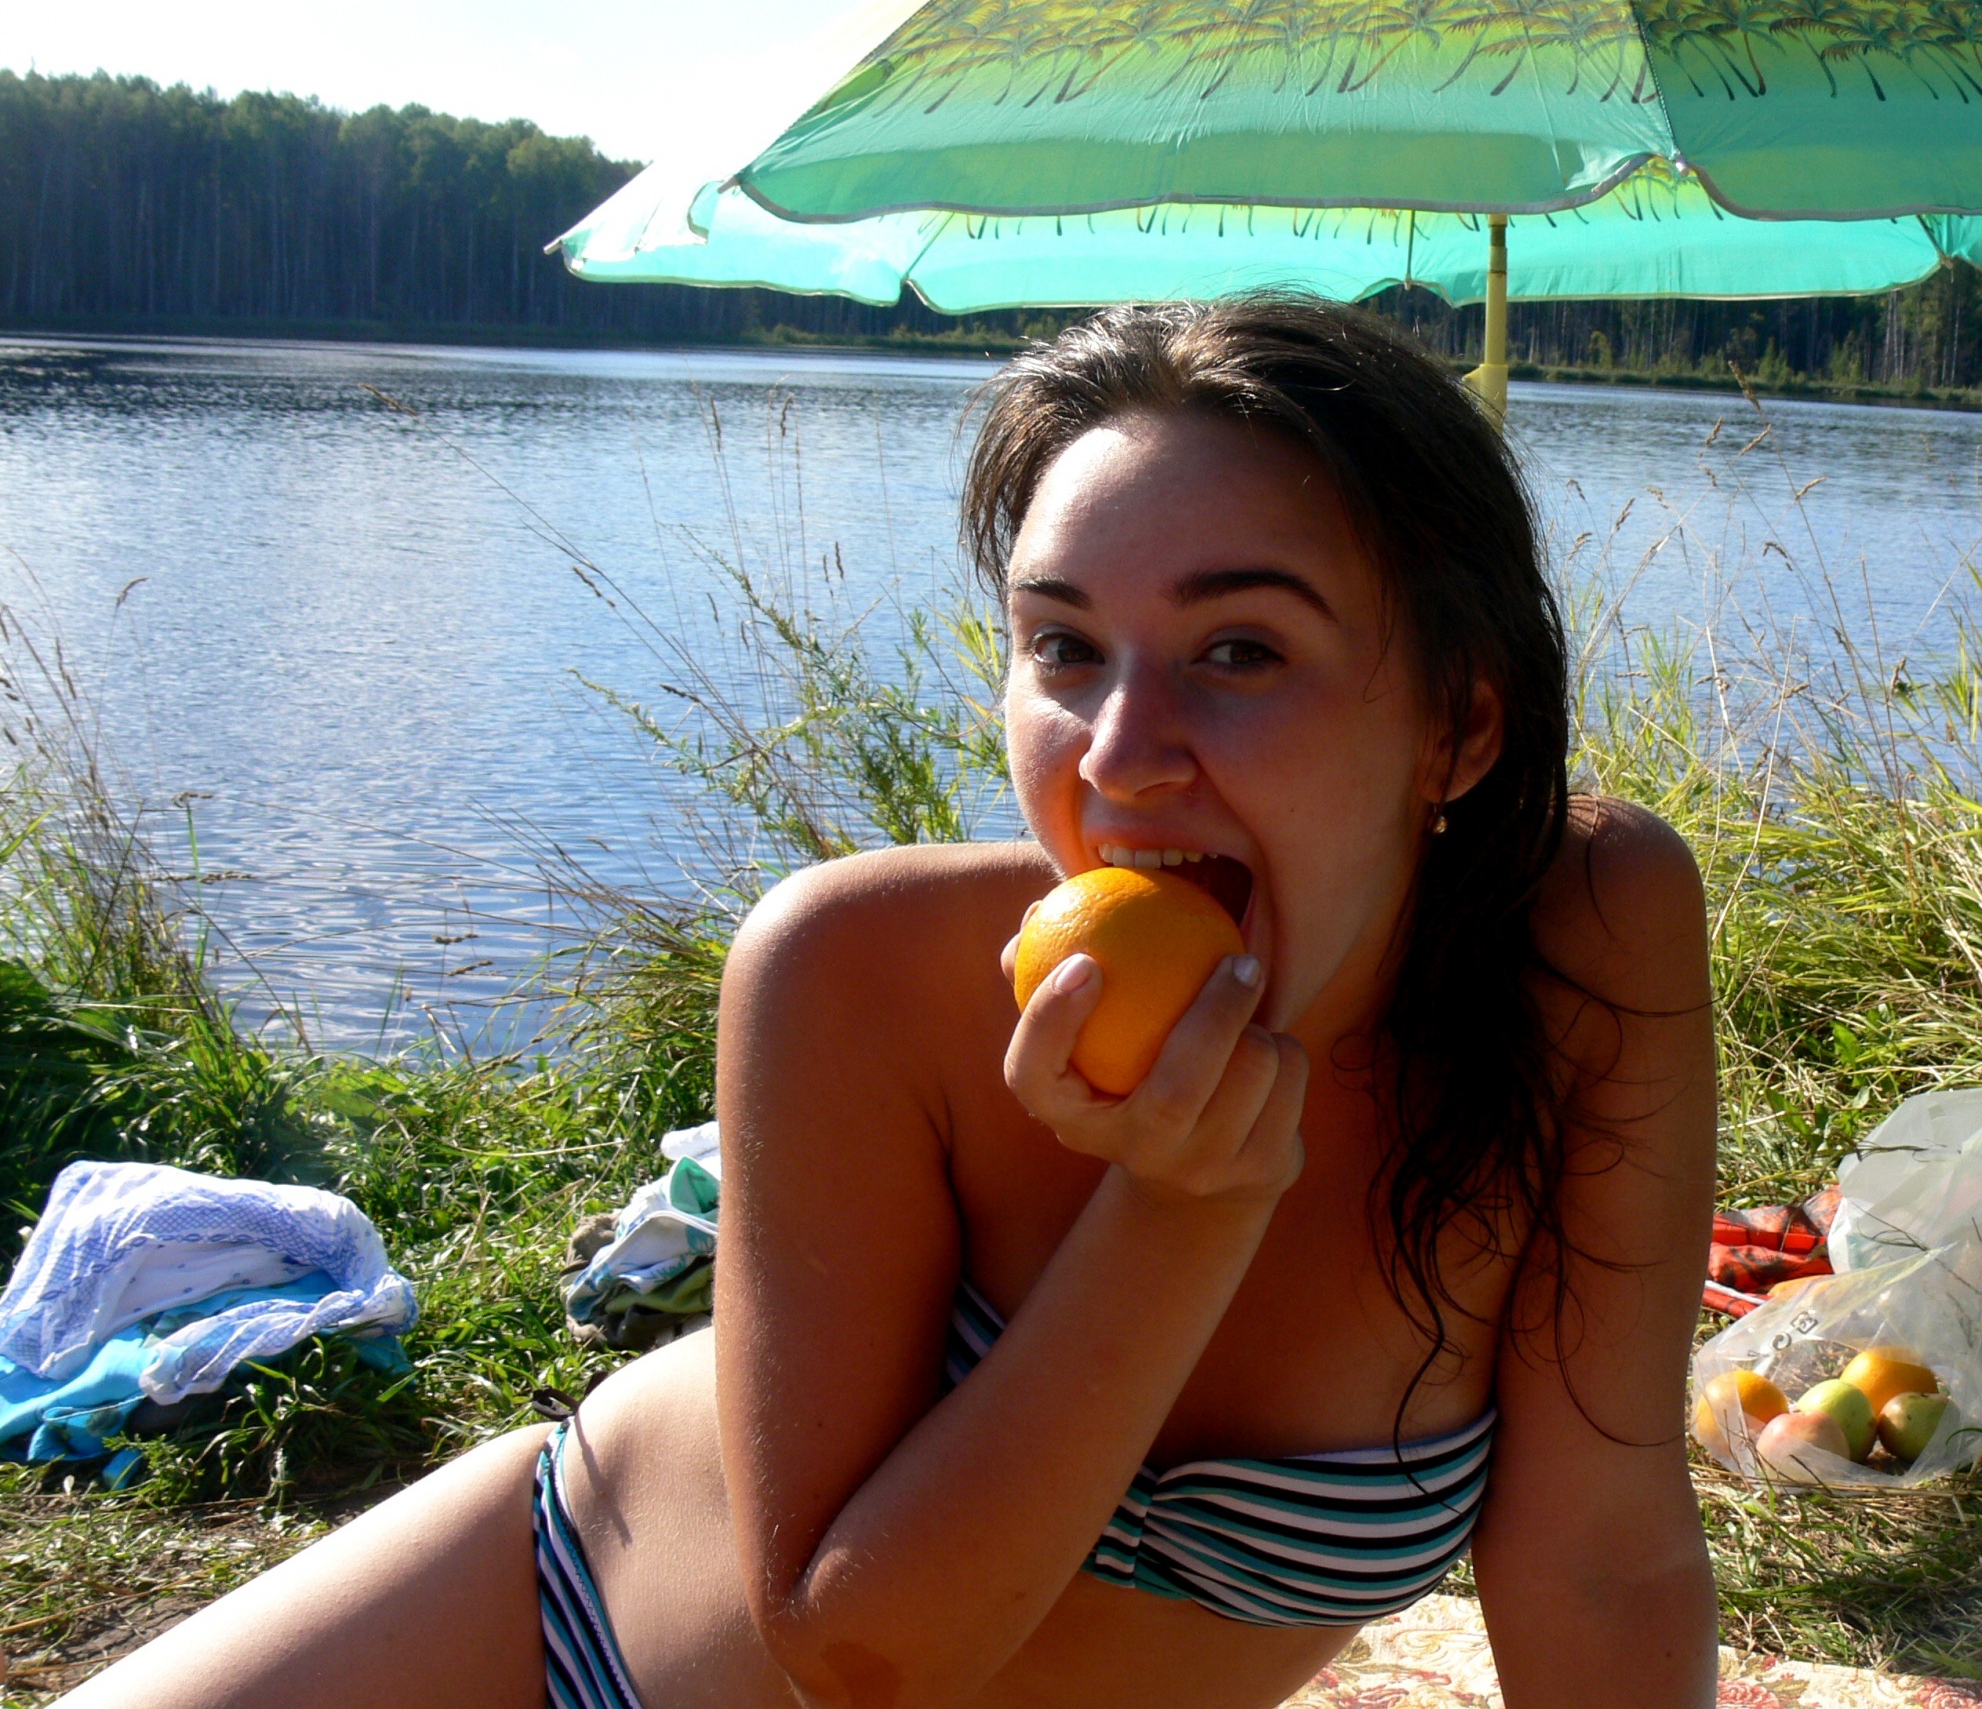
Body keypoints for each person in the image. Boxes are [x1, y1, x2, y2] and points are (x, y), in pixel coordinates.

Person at [63, 297, 1719, 1709]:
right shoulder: (848, 969)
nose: (1120, 756)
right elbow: (864, 1656)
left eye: (1240, 652)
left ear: (1460, 725)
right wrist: (1179, 1209)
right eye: (1064, 648)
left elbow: (1607, 1558)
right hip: (558, 1636)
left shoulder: (1585, 942)